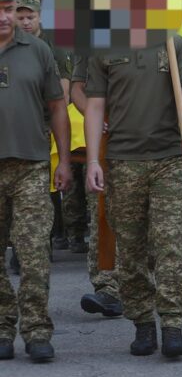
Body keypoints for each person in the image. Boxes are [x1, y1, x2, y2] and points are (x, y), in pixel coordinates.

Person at [84, 36, 182, 359]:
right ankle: (143, 321)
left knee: (170, 242)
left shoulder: (171, 41)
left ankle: (173, 324)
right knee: (130, 249)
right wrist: (94, 160)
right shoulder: (103, 46)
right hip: (123, 160)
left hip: (170, 157)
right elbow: (95, 104)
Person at [0, 0, 72, 362]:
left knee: (33, 255)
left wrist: (63, 159)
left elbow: (57, 107)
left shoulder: (38, 50)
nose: (4, 16)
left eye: (9, 7)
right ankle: (1, 327)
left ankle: (37, 330)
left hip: (31, 165)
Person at [15, 0, 87, 254]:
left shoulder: (53, 45)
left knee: (52, 180)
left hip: (47, 122)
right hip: (20, 126)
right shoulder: (9, 45)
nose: (25, 22)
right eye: (20, 17)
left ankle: (60, 232)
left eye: (29, 17)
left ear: (40, 18)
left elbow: (64, 90)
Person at [69, 57, 123, 319]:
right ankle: (107, 288)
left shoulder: (157, 31)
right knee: (102, 213)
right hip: (106, 138)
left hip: (146, 137)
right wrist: (94, 115)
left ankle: (138, 285)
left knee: (142, 218)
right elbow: (77, 88)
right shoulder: (93, 37)